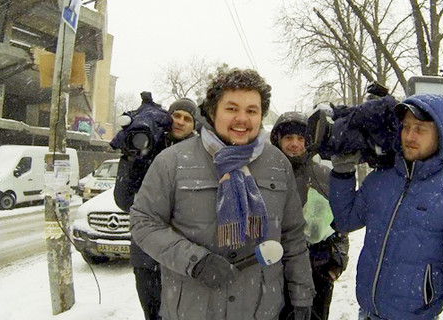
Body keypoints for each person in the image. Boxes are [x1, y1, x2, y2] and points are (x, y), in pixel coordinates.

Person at [129, 68, 315, 320]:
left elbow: (292, 236)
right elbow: (143, 223)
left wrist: (302, 297)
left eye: (252, 110)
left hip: (261, 309)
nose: (242, 119)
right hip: (193, 309)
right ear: (212, 111)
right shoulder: (173, 161)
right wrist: (195, 261)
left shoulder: (277, 164)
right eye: (231, 109)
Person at [329, 93, 443, 320]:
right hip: (367, 314)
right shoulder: (380, 181)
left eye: (420, 129)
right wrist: (343, 172)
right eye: (406, 127)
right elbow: (346, 220)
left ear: (441, 135)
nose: (409, 136)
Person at [114, 96, 199, 320]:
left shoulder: (200, 157)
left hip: (184, 252)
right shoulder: (145, 146)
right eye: (176, 116)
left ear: (194, 126)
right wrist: (131, 158)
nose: (180, 122)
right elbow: (124, 201)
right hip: (146, 254)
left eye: (187, 118)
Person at [270, 111, 349, 320]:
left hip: (317, 271)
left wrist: (337, 261)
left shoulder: (324, 176)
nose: (295, 144)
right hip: (273, 270)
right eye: (288, 138)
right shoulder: (266, 174)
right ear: (278, 140)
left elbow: (341, 223)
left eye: (301, 138)